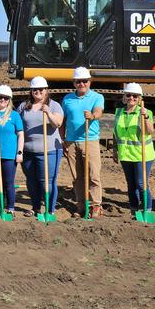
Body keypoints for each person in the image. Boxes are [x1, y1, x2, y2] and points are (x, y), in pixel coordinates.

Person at [61, 67, 105, 218]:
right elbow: (63, 121)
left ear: (89, 82)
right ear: (74, 82)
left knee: (93, 174)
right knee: (77, 177)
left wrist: (92, 116)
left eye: (84, 81)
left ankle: (96, 205)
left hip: (90, 141)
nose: (82, 84)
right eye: (78, 81)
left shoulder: (97, 97)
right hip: (72, 142)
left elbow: (99, 111)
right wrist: (63, 140)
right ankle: (81, 205)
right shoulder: (67, 99)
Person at [17, 76, 64, 217]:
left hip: (49, 151)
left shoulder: (54, 105)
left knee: (47, 182)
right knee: (31, 181)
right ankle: (36, 208)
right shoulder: (24, 106)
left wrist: (48, 113)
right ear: (31, 91)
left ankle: (50, 210)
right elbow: (18, 126)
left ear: (46, 90)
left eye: (40, 89)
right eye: (34, 89)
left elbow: (58, 124)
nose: (37, 91)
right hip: (28, 151)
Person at [113, 83, 155, 218]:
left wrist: (146, 118)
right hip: (125, 155)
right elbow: (115, 133)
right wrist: (115, 150)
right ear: (124, 97)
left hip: (142, 155)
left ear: (139, 98)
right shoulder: (119, 112)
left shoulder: (146, 112)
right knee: (131, 184)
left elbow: (150, 131)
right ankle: (134, 210)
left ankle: (147, 210)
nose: (131, 98)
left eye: (135, 96)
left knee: (141, 183)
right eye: (129, 95)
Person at [0, 85, 24, 214]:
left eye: (6, 98)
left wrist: (19, 152)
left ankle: (10, 207)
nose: (3, 100)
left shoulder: (15, 115)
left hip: (9, 155)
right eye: (0, 97)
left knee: (8, 182)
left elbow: (21, 134)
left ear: (9, 100)